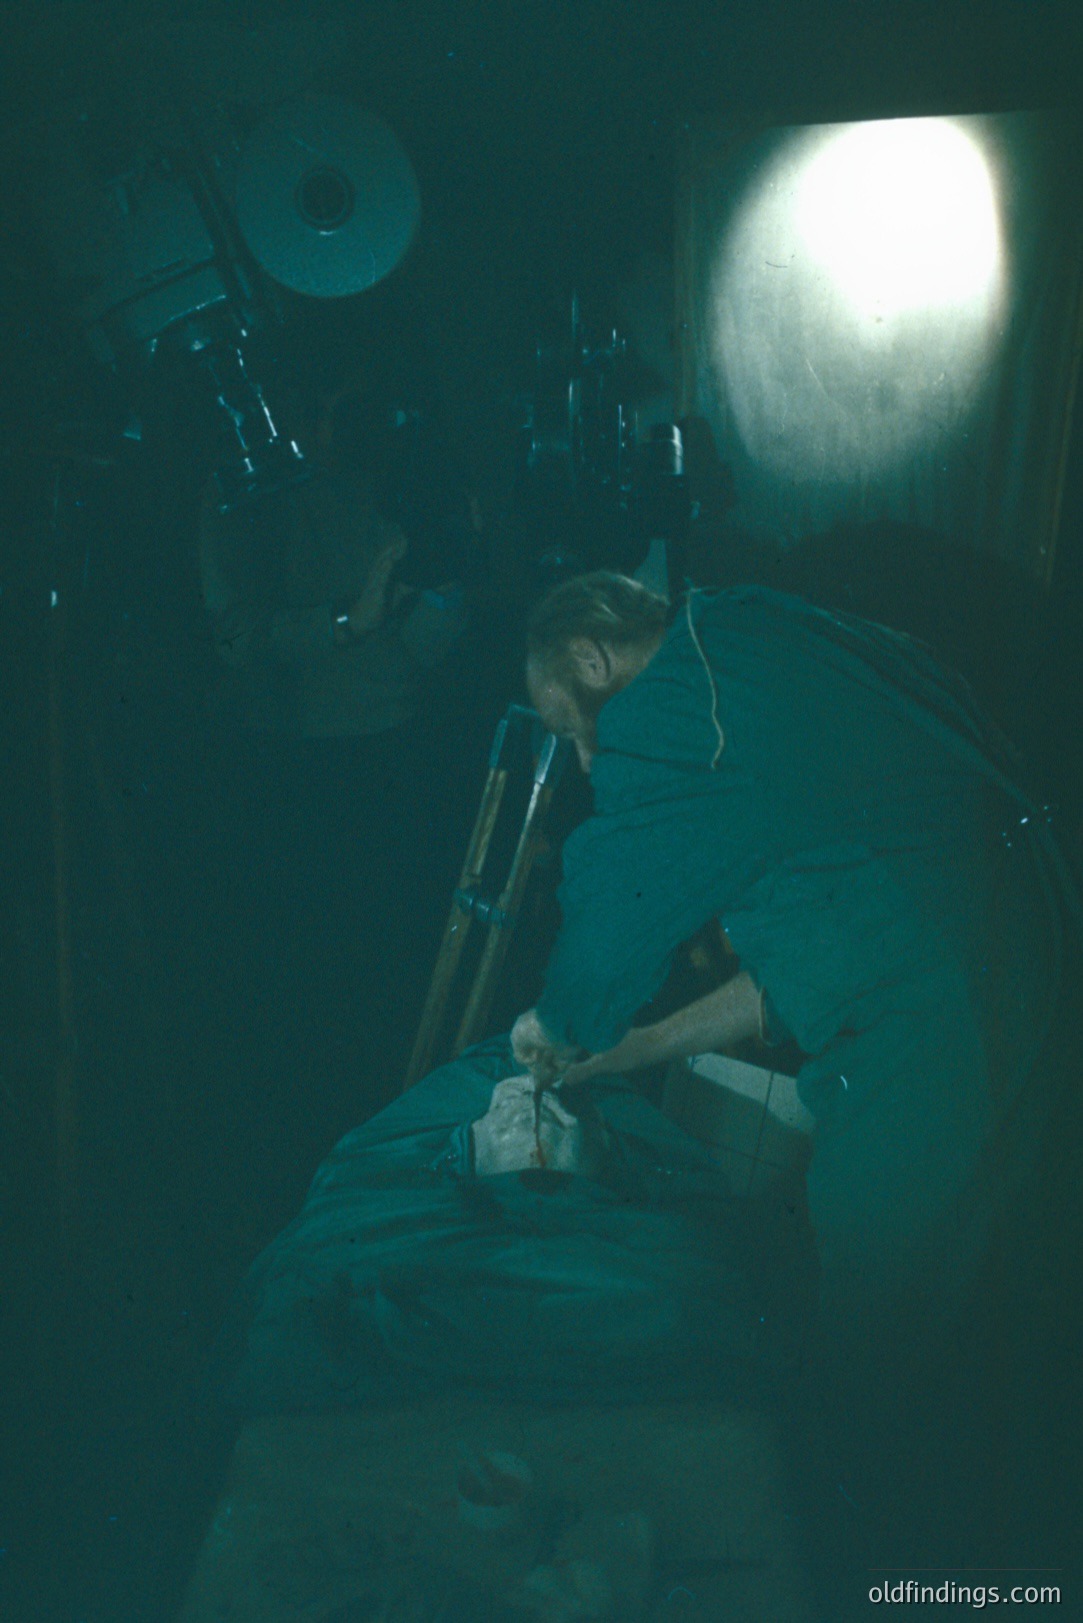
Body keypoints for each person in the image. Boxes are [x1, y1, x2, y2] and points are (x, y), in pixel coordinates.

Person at [509, 570, 1078, 1574]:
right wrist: (633, 1050)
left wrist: (551, 1027)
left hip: (954, 1022)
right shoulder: (757, 636)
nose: (590, 757)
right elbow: (823, 945)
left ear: (594, 663)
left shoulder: (680, 706)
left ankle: (913, 1581)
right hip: (1003, 966)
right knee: (969, 1315)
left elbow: (610, 908)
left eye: (574, 725)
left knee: (890, 1327)